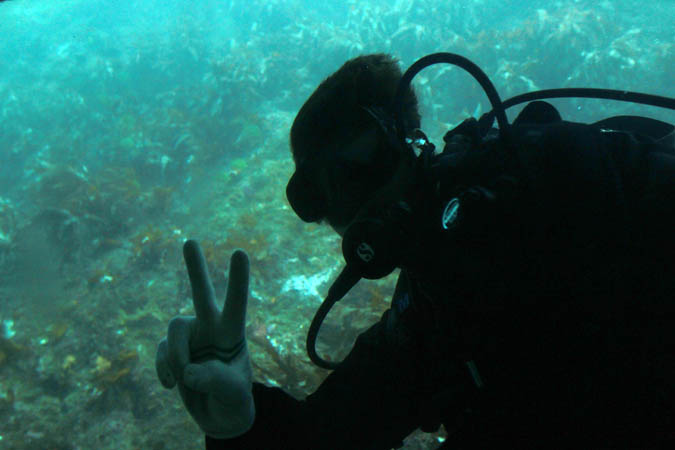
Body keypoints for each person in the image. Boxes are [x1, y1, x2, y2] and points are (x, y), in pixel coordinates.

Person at [156, 53, 675, 449]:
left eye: (361, 166)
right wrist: (241, 423)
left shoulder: (565, 178)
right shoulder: (428, 318)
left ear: (411, 143)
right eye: (321, 194)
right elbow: (327, 435)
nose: (352, 206)